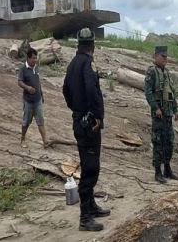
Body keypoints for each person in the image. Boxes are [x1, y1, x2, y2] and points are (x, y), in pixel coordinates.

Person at [62, 28, 110, 232]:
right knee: (91, 168)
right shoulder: (87, 63)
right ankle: (85, 217)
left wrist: (76, 109)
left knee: (88, 163)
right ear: (92, 45)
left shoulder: (73, 63)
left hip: (79, 119)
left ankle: (91, 206)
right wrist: (97, 116)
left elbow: (65, 89)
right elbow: (92, 89)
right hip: (89, 123)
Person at [144, 46, 178, 184]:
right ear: (155, 56)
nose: (165, 59)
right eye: (163, 57)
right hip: (159, 114)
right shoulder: (152, 72)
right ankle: (157, 172)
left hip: (168, 113)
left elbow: (171, 93)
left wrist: (175, 110)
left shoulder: (166, 73)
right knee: (158, 141)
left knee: (169, 141)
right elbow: (148, 92)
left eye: (166, 57)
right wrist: (155, 107)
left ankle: (167, 169)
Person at [18, 48, 47, 149]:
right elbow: (19, 82)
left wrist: (41, 95)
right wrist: (27, 88)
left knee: (40, 121)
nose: (35, 60)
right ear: (28, 58)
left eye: (36, 58)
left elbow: (38, 83)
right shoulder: (23, 69)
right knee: (26, 121)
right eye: (33, 58)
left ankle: (45, 141)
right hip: (28, 101)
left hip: (37, 100)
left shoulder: (36, 68)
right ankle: (22, 139)